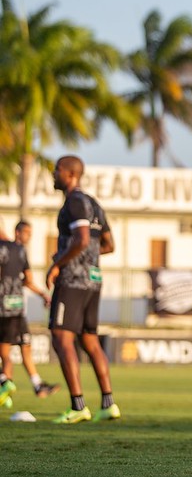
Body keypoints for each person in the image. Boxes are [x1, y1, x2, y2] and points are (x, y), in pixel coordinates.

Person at [46, 155, 120, 424]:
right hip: (93, 279)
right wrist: (87, 255)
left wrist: (58, 264)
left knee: (61, 337)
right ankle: (108, 403)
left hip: (73, 281)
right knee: (89, 340)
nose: (53, 174)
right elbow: (108, 244)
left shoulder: (74, 201)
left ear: (69, 174)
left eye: (57, 170)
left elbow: (82, 238)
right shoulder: (95, 204)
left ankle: (78, 406)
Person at [0, 221, 60, 409]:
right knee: (7, 352)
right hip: (11, 308)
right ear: (16, 232)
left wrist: (42, 293)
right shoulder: (17, 250)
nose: (29, 236)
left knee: (21, 348)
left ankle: (14, 384)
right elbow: (27, 280)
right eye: (26, 232)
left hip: (12, 308)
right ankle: (7, 383)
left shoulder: (16, 250)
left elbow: (28, 280)